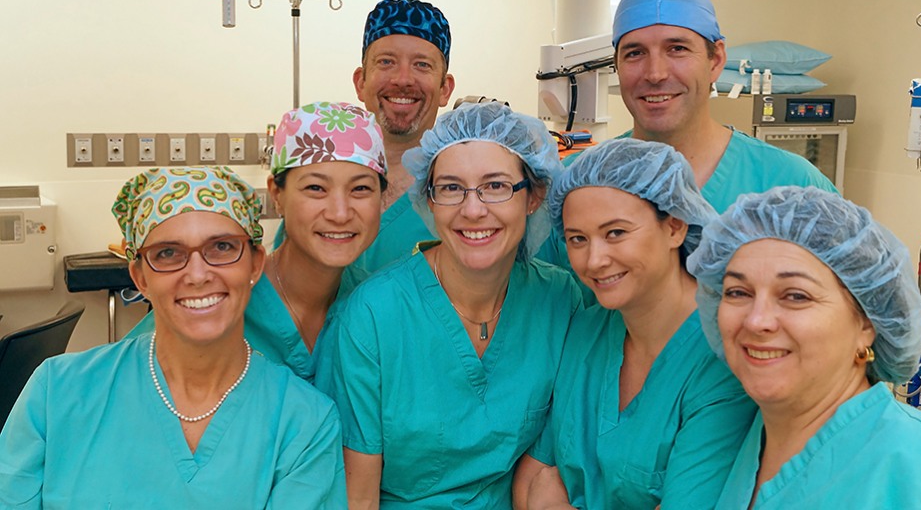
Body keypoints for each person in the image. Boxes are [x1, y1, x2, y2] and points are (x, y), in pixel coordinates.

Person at [0, 167, 346, 508]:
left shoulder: (304, 423)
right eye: (168, 253)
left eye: (222, 247)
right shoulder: (58, 393)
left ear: (255, 264)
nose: (197, 274)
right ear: (140, 277)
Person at [317, 101, 582, 508]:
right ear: (429, 198)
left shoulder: (560, 302)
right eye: (451, 188)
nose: (473, 210)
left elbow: (545, 468)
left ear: (534, 196)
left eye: (495, 186)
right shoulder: (375, 314)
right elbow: (358, 495)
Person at [687, 186, 921, 509]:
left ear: (867, 324)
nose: (756, 321)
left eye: (796, 296)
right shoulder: (736, 439)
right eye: (737, 292)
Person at [512, 139, 757, 509]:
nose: (595, 260)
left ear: (674, 227)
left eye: (616, 233)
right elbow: (531, 479)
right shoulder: (586, 331)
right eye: (578, 239)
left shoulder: (723, 361)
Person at [537, 0, 835, 278]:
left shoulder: (791, 182)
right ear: (617, 66)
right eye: (635, 53)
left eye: (677, 49)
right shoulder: (572, 187)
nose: (655, 73)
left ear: (716, 60)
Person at [126, 102, 387, 382]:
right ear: (277, 194)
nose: (339, 213)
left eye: (360, 189)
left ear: (382, 198)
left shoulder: (377, 304)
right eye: (315, 188)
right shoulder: (216, 296)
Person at [350, 0, 457, 272]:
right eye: (386, 62)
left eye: (422, 65)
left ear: (445, 88)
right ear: (361, 82)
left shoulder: (461, 192)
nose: (403, 79)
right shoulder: (320, 183)